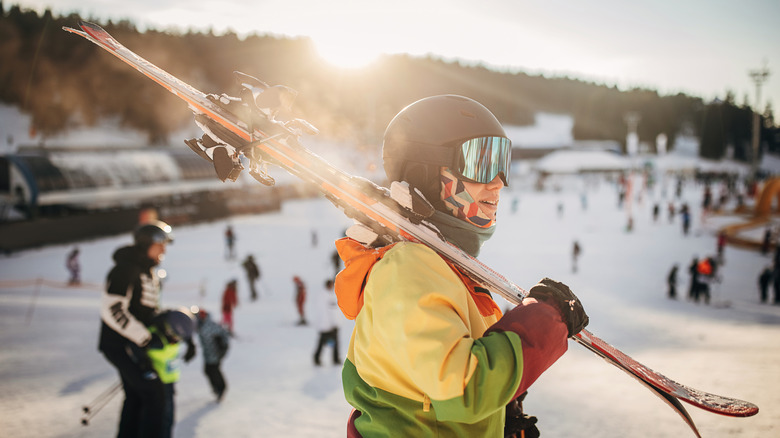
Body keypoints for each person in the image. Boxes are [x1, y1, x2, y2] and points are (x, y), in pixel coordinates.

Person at [333, 95, 588, 437]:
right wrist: (545, 321)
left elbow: (439, 395)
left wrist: (498, 417)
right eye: (481, 164)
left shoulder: (448, 270)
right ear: (426, 172)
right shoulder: (407, 269)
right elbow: (462, 388)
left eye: (502, 163)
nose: (498, 182)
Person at [98, 220, 174, 438]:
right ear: (146, 243)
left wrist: (164, 325)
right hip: (121, 345)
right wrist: (145, 338)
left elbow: (145, 310)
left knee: (136, 396)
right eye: (160, 244)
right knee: (153, 395)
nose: (164, 250)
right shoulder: (125, 269)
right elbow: (112, 309)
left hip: (134, 345)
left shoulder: (148, 272)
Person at [145, 308, 197, 438]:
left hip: (169, 382)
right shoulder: (155, 339)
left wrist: (190, 342)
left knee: (168, 420)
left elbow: (184, 325)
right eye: (175, 336)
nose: (177, 340)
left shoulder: (173, 329)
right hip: (157, 385)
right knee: (161, 421)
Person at [195, 308, 231, 401]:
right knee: (208, 371)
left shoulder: (209, 326)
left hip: (215, 353)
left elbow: (224, 334)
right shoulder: (201, 325)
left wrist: (223, 347)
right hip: (208, 354)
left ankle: (221, 388)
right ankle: (217, 388)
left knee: (213, 371)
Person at [313, 279, 341, 366]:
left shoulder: (327, 295)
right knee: (323, 343)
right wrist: (333, 323)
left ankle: (334, 359)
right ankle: (319, 358)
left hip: (327, 324)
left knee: (329, 343)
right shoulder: (326, 296)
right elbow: (328, 312)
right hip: (327, 325)